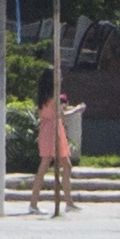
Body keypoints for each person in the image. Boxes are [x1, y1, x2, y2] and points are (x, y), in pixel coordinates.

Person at [30, 68, 81, 216]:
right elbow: (61, 115)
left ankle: (69, 202)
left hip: (51, 129)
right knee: (45, 165)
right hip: (52, 130)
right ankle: (33, 204)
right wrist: (77, 109)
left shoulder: (43, 96)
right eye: (58, 75)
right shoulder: (52, 96)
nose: (61, 77)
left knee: (66, 164)